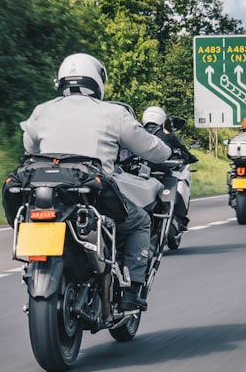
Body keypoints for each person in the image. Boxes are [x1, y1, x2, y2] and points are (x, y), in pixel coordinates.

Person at [20, 53, 172, 311]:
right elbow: (150, 148)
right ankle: (132, 290)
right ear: (97, 81)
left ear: (61, 81)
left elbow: (29, 146)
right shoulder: (113, 113)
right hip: (93, 192)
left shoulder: (42, 111)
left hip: (47, 191)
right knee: (140, 222)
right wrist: (166, 151)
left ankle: (33, 267)